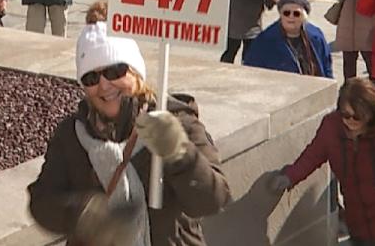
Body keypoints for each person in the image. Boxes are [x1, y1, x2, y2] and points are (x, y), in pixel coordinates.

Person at [28, 22, 231, 245]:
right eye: (91, 78)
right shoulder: (73, 134)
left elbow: (213, 200)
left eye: (114, 71)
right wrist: (86, 214)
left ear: (136, 73)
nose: (104, 85)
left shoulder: (177, 123)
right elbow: (42, 202)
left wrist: (179, 152)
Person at [270, 78, 375, 246]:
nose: (351, 121)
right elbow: (312, 155)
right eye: (346, 115)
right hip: (357, 221)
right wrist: (290, 177)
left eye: (358, 116)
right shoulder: (331, 127)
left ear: (371, 112)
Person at [243, 0, 333, 78]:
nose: (291, 17)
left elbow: (326, 66)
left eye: (296, 14)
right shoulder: (265, 40)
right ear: (280, 15)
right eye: (286, 13)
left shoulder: (316, 36)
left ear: (304, 16)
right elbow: (251, 69)